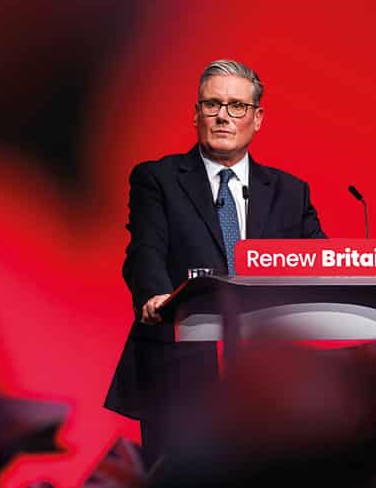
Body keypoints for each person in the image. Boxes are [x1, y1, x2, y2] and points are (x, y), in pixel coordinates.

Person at [104, 59, 327, 450]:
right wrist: (155, 296)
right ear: (196, 115)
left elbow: (323, 261)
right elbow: (145, 250)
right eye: (212, 105)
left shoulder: (290, 193)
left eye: (237, 107)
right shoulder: (158, 179)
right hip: (179, 372)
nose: (223, 116)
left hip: (265, 380)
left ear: (257, 119)